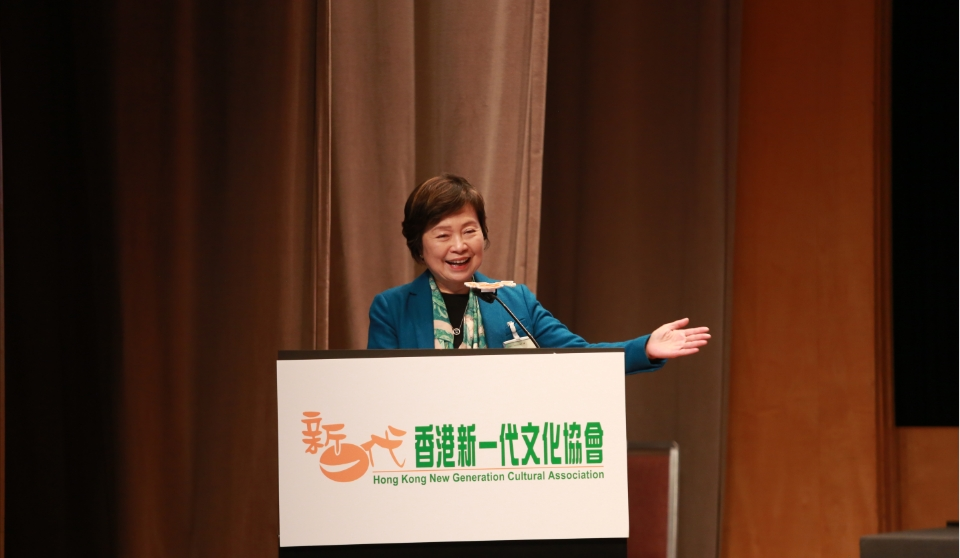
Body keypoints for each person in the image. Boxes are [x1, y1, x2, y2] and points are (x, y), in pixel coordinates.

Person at [367, 174, 710, 374]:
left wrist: (645, 348)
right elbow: (379, 391)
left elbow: (578, 357)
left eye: (470, 231)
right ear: (419, 245)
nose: (459, 246)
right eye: (443, 235)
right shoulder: (392, 308)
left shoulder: (514, 301)